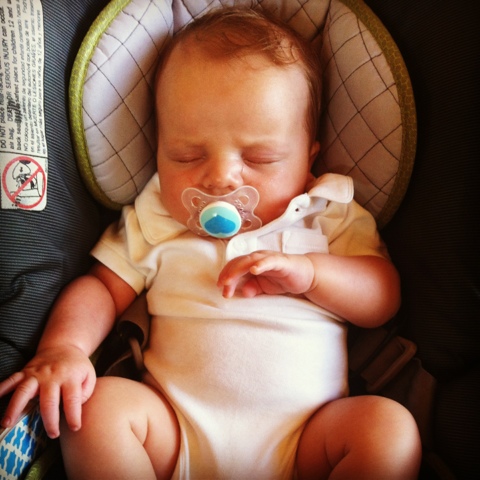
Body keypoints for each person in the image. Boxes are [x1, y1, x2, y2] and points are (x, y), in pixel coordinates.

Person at [0, 7, 421, 479]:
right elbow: (101, 287)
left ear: (308, 160)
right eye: (187, 155)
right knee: (96, 411)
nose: (220, 178)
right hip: (174, 435)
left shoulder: (326, 211)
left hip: (306, 443)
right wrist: (65, 347)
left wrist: (311, 275)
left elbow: (383, 298)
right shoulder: (158, 218)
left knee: (389, 431)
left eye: (259, 157)